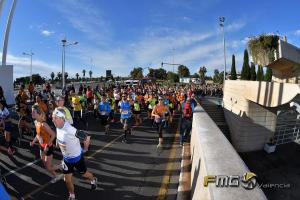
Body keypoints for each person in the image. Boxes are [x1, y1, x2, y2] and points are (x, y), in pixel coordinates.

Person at [52, 107, 97, 200]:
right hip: (67, 159)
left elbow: (87, 138)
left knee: (84, 174)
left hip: (77, 159)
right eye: (52, 117)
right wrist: (58, 143)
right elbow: (59, 136)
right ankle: (72, 195)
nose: (52, 119)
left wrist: (85, 149)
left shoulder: (70, 129)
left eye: (55, 118)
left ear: (62, 118)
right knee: (67, 181)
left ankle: (93, 179)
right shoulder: (57, 126)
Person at [30, 104, 58, 182]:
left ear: (38, 113)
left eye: (33, 112)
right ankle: (56, 176)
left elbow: (53, 135)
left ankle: (62, 166)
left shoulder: (43, 124)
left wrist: (47, 145)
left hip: (48, 147)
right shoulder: (36, 122)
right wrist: (33, 141)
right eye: (32, 112)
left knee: (48, 167)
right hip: (41, 146)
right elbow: (38, 134)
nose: (32, 114)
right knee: (45, 164)